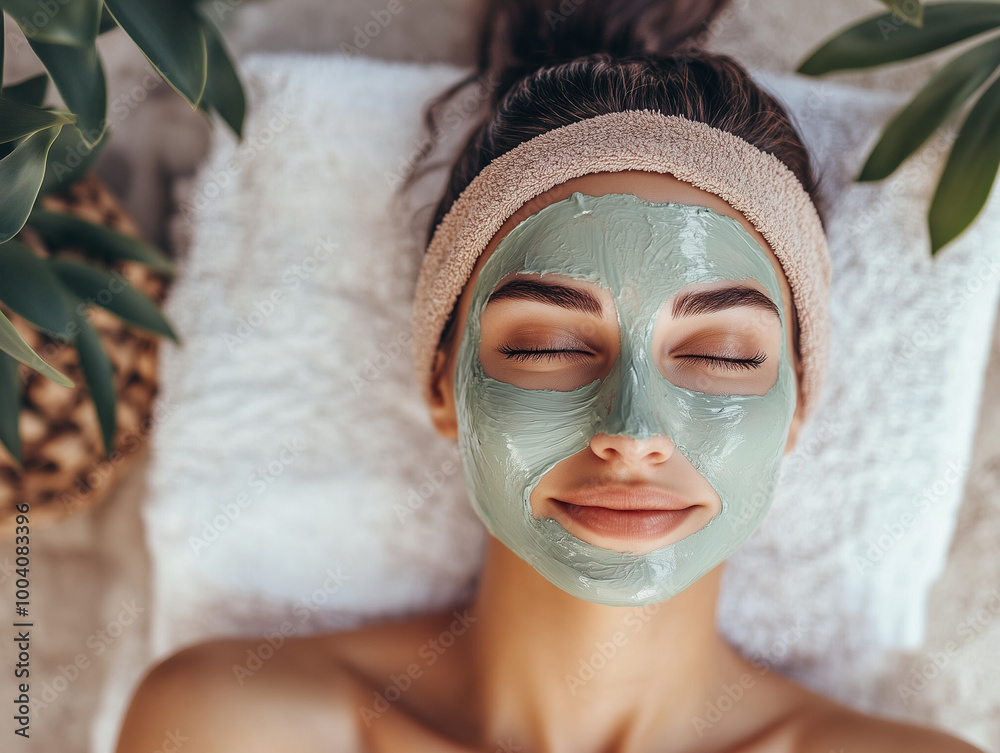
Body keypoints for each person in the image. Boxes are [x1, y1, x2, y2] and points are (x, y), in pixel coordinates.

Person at [114, 1, 986, 751]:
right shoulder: (236, 727)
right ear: (442, 380)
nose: (635, 429)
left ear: (797, 408)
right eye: (550, 346)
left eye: (721, 354)